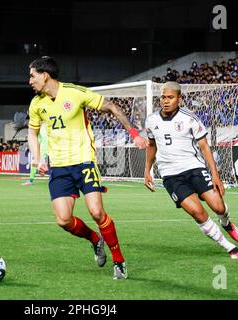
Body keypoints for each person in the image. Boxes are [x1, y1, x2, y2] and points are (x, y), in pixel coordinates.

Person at [27, 56, 148, 279]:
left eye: (32, 76)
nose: (30, 81)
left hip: (84, 161)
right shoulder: (36, 104)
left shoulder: (75, 92)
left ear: (45, 75)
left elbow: (111, 106)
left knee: (96, 211)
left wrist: (134, 134)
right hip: (59, 167)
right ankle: (95, 239)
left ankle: (119, 261)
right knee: (63, 220)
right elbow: (32, 133)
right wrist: (37, 159)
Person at [144, 82, 238, 260]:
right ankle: (229, 247)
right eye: (163, 97)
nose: (166, 101)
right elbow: (151, 146)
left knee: (218, 206)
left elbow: (204, 146)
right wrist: (147, 170)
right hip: (171, 176)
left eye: (170, 97)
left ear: (179, 98)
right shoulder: (151, 120)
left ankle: (226, 222)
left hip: (194, 168)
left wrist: (215, 175)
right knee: (198, 213)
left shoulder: (189, 118)